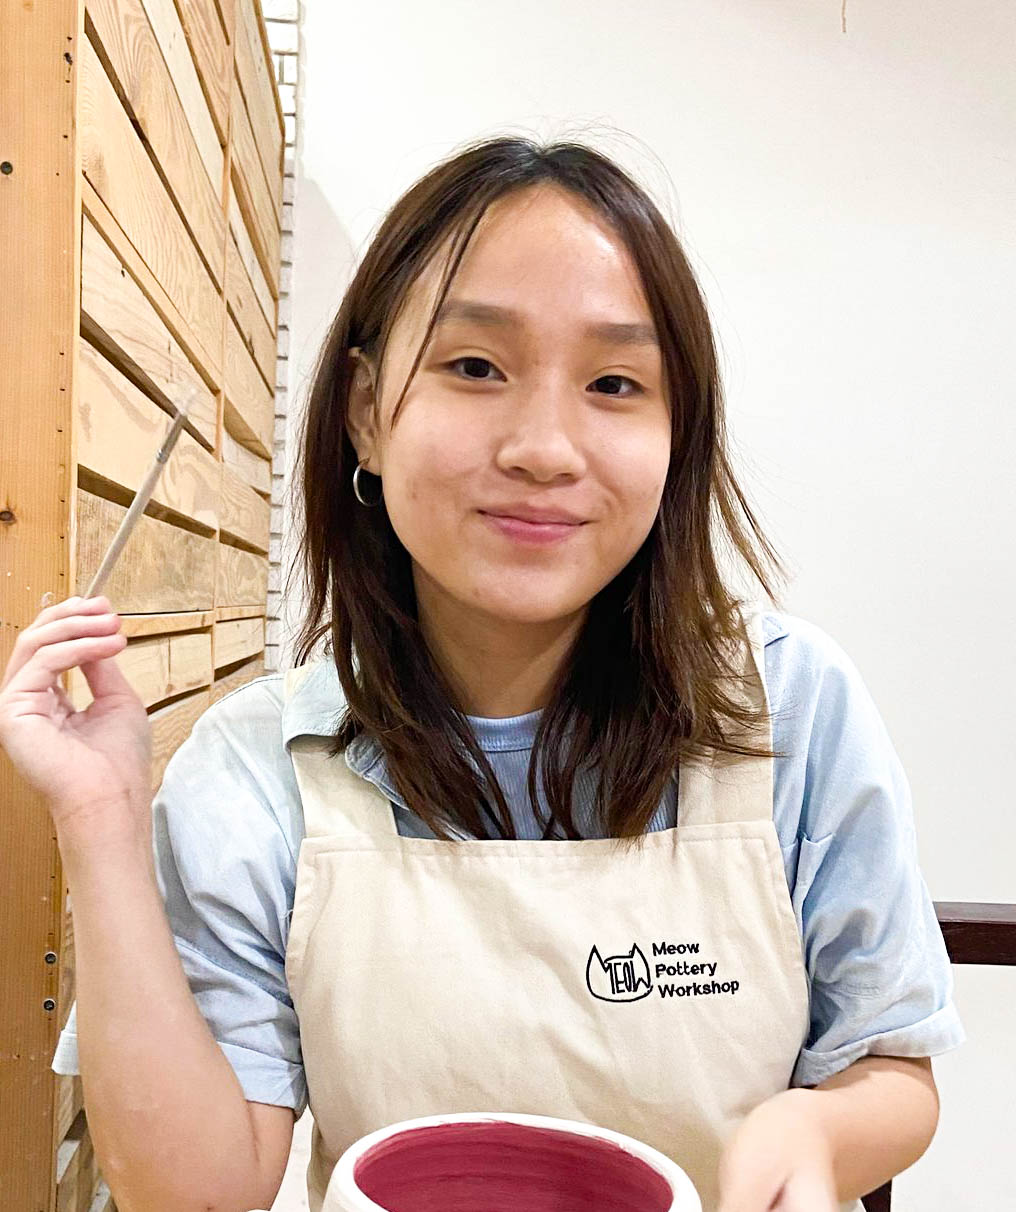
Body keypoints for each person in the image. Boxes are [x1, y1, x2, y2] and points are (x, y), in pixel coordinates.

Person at [1, 136, 964, 1212]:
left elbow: (891, 1069)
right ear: (366, 412)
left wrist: (816, 1126)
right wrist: (101, 818)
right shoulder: (260, 765)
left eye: (614, 382)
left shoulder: (789, 710)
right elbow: (199, 1195)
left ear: (673, 433)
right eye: (474, 367)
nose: (545, 446)